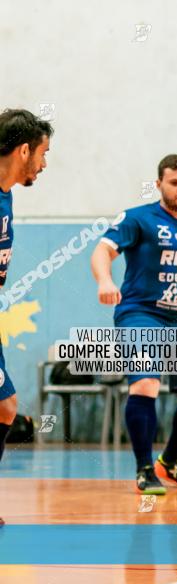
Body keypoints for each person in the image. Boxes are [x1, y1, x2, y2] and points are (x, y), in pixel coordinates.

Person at [91, 154, 177, 494]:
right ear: (159, 183)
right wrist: (105, 281)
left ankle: (170, 462)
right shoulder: (138, 219)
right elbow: (102, 251)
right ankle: (144, 468)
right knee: (146, 383)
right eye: (174, 182)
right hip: (140, 313)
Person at [0, 109, 53, 526]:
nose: (44, 164)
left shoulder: (7, 194)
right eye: (42, 154)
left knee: (6, 409)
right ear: (23, 150)